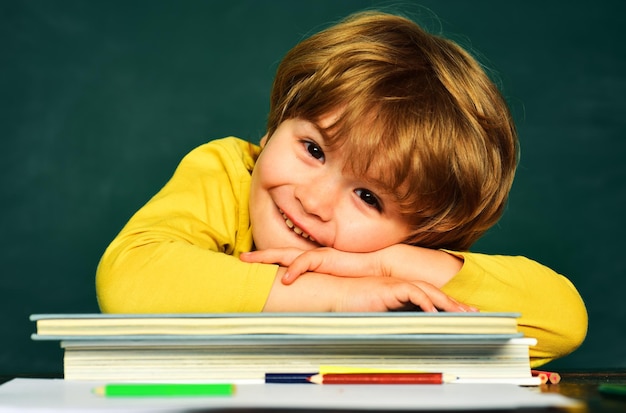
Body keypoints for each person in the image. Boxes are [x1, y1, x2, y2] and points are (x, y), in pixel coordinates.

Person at [95, 11, 587, 367]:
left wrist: (385, 265)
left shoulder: (393, 266)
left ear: (420, 233)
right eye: (313, 149)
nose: (313, 201)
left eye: (369, 197)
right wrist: (335, 296)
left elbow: (563, 319)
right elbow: (129, 282)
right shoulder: (227, 172)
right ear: (271, 130)